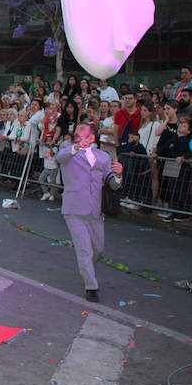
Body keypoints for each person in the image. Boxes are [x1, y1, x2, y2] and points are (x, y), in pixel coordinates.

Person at [56, 123, 123, 302]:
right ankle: (91, 286)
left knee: (98, 250)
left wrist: (118, 175)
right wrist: (76, 147)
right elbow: (60, 158)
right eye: (76, 130)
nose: (77, 132)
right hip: (74, 208)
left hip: (95, 209)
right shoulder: (68, 149)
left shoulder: (103, 156)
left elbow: (112, 183)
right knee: (84, 249)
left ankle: (87, 270)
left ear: (92, 135)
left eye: (81, 129)